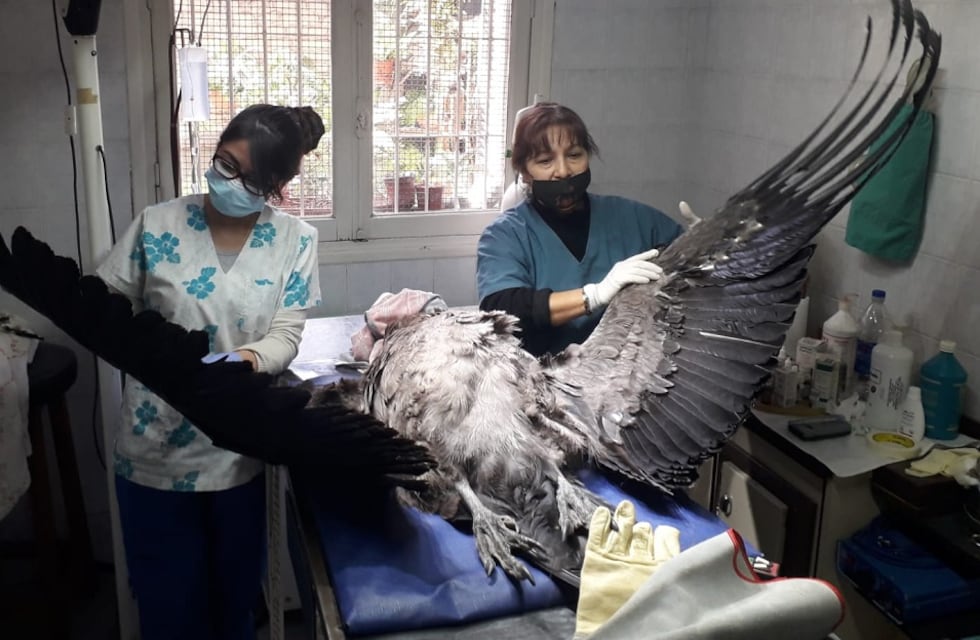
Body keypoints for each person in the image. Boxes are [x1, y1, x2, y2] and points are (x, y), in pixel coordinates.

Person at [96, 104, 324, 640]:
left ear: (276, 187)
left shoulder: (295, 241)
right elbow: (105, 307)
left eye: (252, 179)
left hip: (236, 453)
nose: (231, 183)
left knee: (234, 607)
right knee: (169, 611)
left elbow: (285, 336)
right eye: (226, 164)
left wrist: (237, 364)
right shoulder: (157, 225)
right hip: (153, 451)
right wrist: (149, 351)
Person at [477, 102, 685, 356]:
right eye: (545, 161)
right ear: (525, 172)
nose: (563, 171)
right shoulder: (505, 236)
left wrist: (708, 239)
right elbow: (502, 311)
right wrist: (593, 296)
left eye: (574, 155)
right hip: (546, 375)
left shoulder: (631, 217)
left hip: (633, 370)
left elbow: (689, 261)